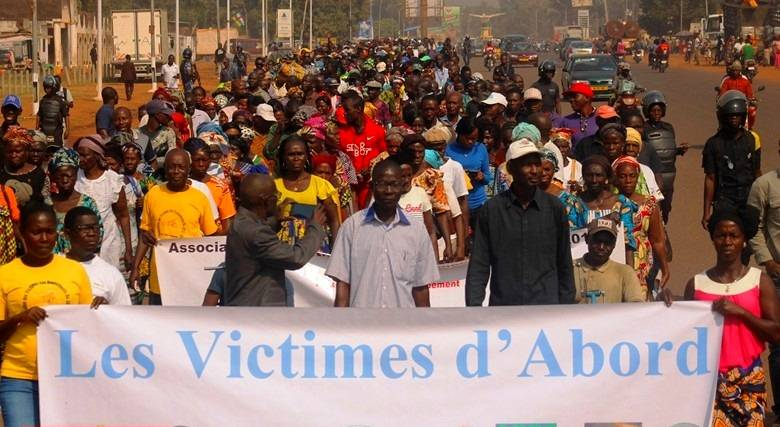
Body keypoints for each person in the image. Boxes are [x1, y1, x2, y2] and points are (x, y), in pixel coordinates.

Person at [673, 205, 780, 425]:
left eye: (734, 235)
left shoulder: (759, 281)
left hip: (749, 380)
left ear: (744, 240)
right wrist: (668, 304)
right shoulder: (697, 284)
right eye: (721, 235)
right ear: (713, 239)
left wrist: (742, 313)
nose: (727, 242)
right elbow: (684, 334)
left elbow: (776, 333)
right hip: (708, 382)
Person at [0, 203, 93, 427]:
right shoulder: (5, 274)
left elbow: (89, 328)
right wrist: (20, 317)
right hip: (19, 378)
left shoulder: (74, 271)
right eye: (36, 232)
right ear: (22, 233)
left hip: (67, 377)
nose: (44, 238)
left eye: (49, 231)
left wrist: (101, 310)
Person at [466, 139, 575, 306]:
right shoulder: (492, 210)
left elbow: (564, 262)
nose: (534, 171)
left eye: (537, 165)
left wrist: (567, 307)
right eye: (527, 165)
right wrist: (473, 309)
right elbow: (479, 264)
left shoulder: (555, 208)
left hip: (547, 308)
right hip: (505, 310)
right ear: (511, 169)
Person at [327, 159, 438, 308]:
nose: (388, 191)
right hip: (362, 325)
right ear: (372, 187)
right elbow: (343, 284)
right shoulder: (352, 227)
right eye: (383, 184)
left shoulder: (416, 229)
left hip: (403, 326)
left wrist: (425, 328)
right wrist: (341, 326)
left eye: (394, 185)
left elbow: (421, 288)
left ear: (403, 187)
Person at [130, 149, 218, 305]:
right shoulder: (153, 195)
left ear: (188, 169)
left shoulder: (200, 198)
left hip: (192, 278)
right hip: (160, 279)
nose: (176, 171)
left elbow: (211, 239)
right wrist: (136, 267)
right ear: (165, 170)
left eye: (180, 167)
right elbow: (145, 235)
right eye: (171, 167)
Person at [223, 174, 327, 306]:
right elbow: (295, 258)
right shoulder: (256, 232)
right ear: (266, 200)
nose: (278, 200)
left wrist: (274, 222)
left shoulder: (240, 222)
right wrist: (315, 227)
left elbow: (258, 231)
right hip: (257, 314)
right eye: (275, 196)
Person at [748, 138, 780, 415]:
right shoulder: (765, 185)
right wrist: (767, 261)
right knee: (779, 345)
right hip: (778, 274)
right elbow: (754, 227)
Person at [702, 90, 761, 229]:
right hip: (725, 201)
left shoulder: (752, 139)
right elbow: (710, 178)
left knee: (751, 241)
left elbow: (757, 172)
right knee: (728, 240)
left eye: (737, 115)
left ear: (743, 116)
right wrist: (706, 212)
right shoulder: (713, 144)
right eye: (730, 116)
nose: (734, 118)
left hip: (749, 199)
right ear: (722, 117)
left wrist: (764, 201)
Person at [613, 155, 670, 297]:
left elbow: (657, 240)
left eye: (632, 176)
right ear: (615, 178)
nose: (627, 181)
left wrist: (665, 267)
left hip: (642, 261)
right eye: (622, 176)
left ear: (638, 176)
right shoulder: (609, 203)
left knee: (639, 298)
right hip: (615, 258)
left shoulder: (649, 204)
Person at [275, 136, 341, 246]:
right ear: (283, 157)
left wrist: (336, 251)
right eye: (291, 154)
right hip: (281, 247)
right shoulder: (274, 186)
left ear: (306, 156)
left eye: (300, 154)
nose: (296, 158)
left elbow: (334, 221)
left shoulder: (321, 185)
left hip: (314, 245)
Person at [64, 206, 132, 306]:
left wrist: (106, 309)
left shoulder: (111, 274)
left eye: (96, 228)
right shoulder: (52, 267)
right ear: (67, 233)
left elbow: (124, 316)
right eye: (85, 228)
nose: (92, 233)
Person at [573, 217, 645, 304]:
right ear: (587, 239)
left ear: (614, 244)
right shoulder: (569, 269)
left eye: (607, 243)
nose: (601, 247)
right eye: (597, 241)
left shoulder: (625, 273)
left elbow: (636, 307)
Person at [337, 92, 386, 208]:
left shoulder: (377, 131)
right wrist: (351, 174)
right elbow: (339, 158)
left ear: (358, 109)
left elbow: (384, 156)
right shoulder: (340, 133)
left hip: (370, 187)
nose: (344, 113)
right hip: (349, 188)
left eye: (347, 110)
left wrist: (371, 169)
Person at [48, 148, 101, 255]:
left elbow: (98, 234)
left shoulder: (87, 203)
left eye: (69, 176)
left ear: (76, 175)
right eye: (60, 176)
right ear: (53, 177)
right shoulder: (46, 203)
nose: (65, 180)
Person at [183, 138, 236, 235]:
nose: (201, 164)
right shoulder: (181, 186)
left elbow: (227, 222)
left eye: (204, 160)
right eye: (197, 160)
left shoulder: (220, 186)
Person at [446, 118, 493, 223]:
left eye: (474, 139)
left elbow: (488, 177)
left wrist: (482, 177)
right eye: (467, 138)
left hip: (478, 203)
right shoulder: (448, 150)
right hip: (457, 204)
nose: (470, 141)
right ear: (459, 134)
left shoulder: (481, 148)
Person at [0, 128, 50, 207]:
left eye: (18, 151)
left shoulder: (39, 174)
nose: (13, 155)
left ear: (27, 151)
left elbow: (46, 202)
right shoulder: (2, 171)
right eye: (10, 152)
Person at [553, 82, 597, 146]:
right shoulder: (566, 121)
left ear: (587, 98)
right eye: (570, 97)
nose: (571, 99)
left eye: (575, 96)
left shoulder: (601, 118)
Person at [36, 76, 68, 146]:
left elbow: (66, 116)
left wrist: (67, 130)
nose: (47, 90)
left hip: (57, 131)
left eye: (49, 88)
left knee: (57, 148)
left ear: (54, 88)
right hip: (44, 130)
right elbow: (39, 115)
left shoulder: (60, 101)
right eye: (46, 88)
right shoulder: (43, 101)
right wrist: (36, 129)